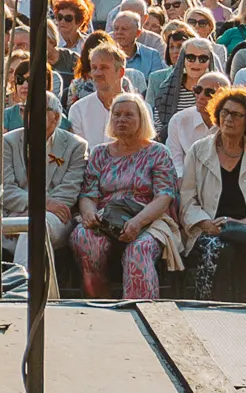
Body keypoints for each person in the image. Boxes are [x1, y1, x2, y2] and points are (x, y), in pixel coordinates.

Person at [67, 88, 181, 300]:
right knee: (86, 240)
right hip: (106, 218)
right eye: (117, 115)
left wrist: (137, 222)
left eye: (129, 115)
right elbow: (88, 194)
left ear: (142, 119)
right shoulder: (100, 152)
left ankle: (142, 310)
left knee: (138, 251)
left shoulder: (157, 152)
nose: (121, 119)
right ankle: (100, 304)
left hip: (148, 219)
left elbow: (164, 196)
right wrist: (89, 214)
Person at [178, 85, 246, 303]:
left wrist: (245, 222)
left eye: (236, 114)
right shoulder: (198, 150)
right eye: (224, 112)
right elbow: (187, 198)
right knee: (222, 251)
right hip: (209, 230)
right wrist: (206, 224)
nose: (229, 119)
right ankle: (212, 310)